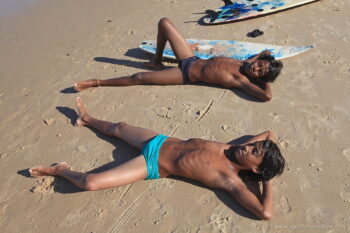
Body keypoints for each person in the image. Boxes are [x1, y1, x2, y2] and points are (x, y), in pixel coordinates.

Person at [29, 97, 286, 220]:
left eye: (254, 152)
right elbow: (270, 134)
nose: (249, 147)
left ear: (255, 170)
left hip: (152, 165)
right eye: (253, 145)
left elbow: (265, 213)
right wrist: (265, 149)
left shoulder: (231, 181)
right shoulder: (233, 147)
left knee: (90, 183)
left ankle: (59, 170)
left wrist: (267, 179)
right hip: (159, 140)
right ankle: (87, 119)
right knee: (118, 127)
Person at [74, 18, 283, 101]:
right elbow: (260, 54)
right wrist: (263, 56)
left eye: (259, 72)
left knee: (139, 76)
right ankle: (157, 60)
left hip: (185, 74)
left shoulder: (243, 81)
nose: (255, 68)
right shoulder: (247, 62)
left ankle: (97, 82)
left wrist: (264, 79)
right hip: (190, 58)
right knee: (164, 22)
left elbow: (267, 97)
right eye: (259, 66)